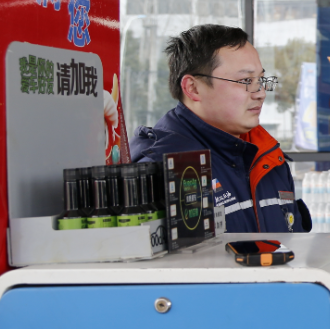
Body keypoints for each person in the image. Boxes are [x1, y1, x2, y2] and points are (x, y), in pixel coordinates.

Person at [131, 24, 310, 233]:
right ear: (193, 88)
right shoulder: (162, 169)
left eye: (261, 80)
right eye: (246, 80)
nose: (261, 93)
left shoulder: (269, 157)